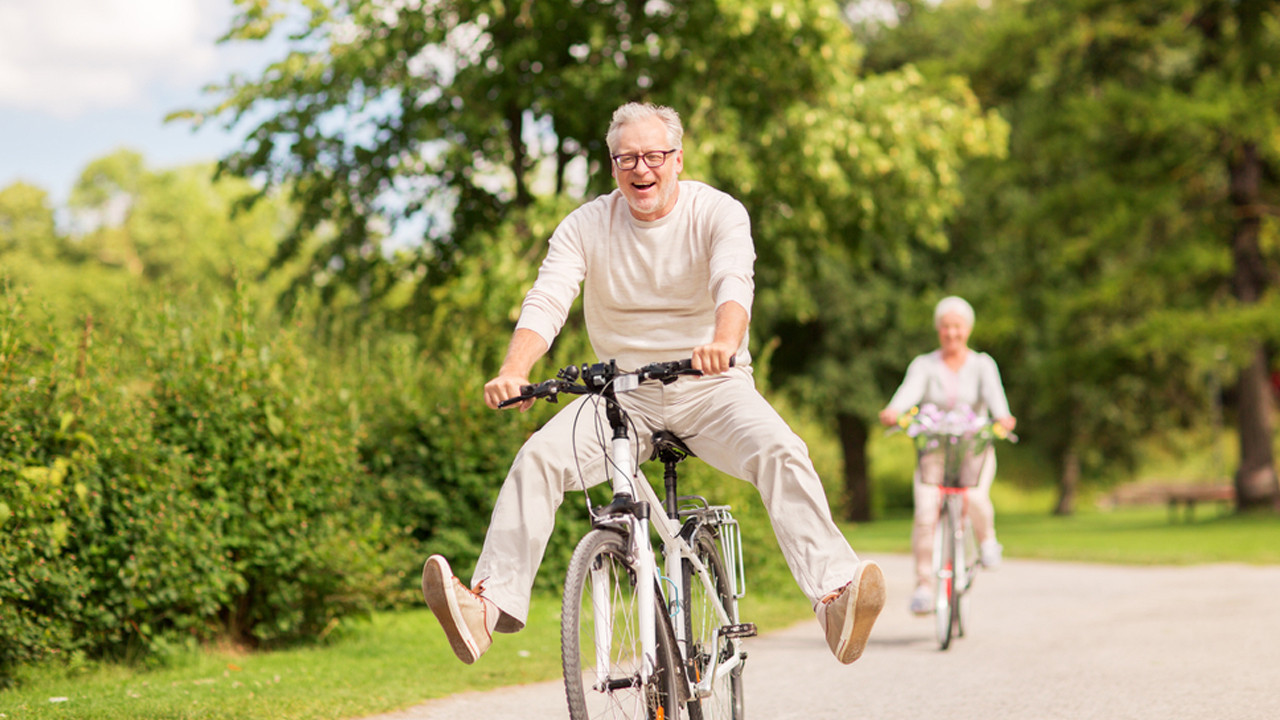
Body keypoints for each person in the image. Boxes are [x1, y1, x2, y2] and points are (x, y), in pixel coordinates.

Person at [421, 102, 884, 666]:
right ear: (613, 166)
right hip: (622, 395)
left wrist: (723, 341)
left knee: (782, 450)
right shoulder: (586, 224)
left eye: (653, 156)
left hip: (712, 386)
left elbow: (734, 281)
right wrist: (514, 370)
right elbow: (548, 298)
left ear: (677, 159)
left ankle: (835, 598)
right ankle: (486, 609)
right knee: (538, 458)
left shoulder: (717, 212)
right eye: (627, 159)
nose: (641, 169)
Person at [878, 296, 1016, 616]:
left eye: (957, 327)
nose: (951, 333)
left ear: (967, 330)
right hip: (935, 451)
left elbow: (998, 403)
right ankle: (924, 587)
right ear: (938, 330)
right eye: (945, 327)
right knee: (926, 512)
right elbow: (907, 394)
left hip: (974, 449)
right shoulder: (924, 365)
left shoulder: (983, 364)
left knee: (975, 497)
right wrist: (894, 411)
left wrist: (1003, 418)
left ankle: (987, 542)